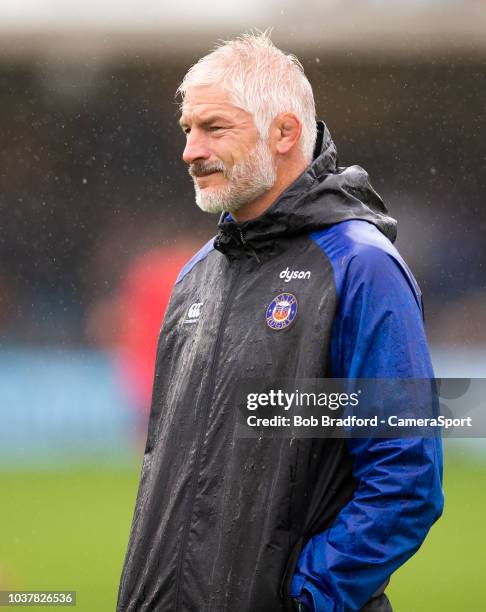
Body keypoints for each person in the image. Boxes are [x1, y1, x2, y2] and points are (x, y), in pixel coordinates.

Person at [116, 32, 443, 612]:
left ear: (285, 132)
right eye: (187, 130)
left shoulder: (361, 266)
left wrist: (306, 599)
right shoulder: (195, 274)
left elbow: (405, 477)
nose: (190, 151)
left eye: (214, 129)